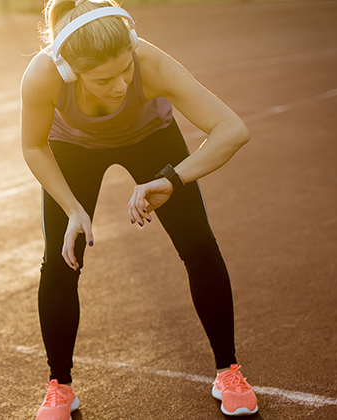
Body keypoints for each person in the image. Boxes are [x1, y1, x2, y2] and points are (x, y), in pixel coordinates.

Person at [19, 0, 259, 417]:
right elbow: (34, 145)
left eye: (125, 69)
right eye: (103, 78)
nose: (119, 85)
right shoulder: (44, 75)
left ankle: (228, 371)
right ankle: (60, 385)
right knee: (60, 261)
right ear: (69, 72)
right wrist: (72, 207)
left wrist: (173, 179)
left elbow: (232, 129)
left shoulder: (149, 61)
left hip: (151, 136)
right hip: (73, 149)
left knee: (199, 245)